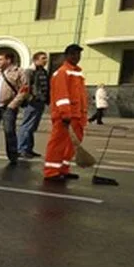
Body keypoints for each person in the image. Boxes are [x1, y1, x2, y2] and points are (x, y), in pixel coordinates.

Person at [43, 44, 87, 182]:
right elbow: (62, 96)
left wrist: (83, 114)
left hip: (77, 116)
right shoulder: (62, 72)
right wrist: (65, 114)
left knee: (71, 145)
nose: (76, 57)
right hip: (65, 116)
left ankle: (63, 169)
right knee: (58, 143)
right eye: (73, 54)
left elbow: (80, 96)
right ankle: (51, 171)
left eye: (78, 54)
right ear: (66, 56)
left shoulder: (77, 73)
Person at [17, 52, 49, 159]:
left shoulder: (43, 71)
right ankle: (22, 149)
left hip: (40, 102)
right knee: (27, 125)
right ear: (35, 60)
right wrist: (30, 98)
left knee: (32, 126)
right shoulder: (30, 71)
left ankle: (28, 148)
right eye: (43, 58)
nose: (45, 60)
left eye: (46, 58)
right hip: (33, 103)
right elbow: (25, 86)